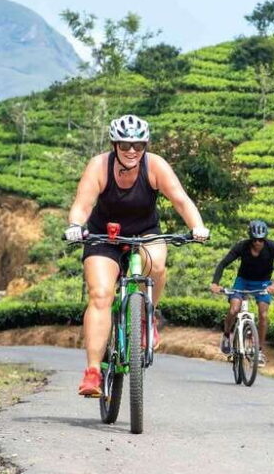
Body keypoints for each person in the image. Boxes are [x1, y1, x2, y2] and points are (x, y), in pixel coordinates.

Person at [64, 114, 210, 397]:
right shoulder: (99, 166)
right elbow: (82, 204)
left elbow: (180, 199)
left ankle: (147, 317)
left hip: (145, 232)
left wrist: (197, 227)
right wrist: (74, 226)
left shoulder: (155, 166)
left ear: (145, 145)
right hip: (102, 236)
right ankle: (93, 371)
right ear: (114, 145)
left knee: (156, 264)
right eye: (125, 145)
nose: (132, 151)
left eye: (138, 145)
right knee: (101, 294)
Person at [210, 220, 274, 365]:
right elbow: (223, 264)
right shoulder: (242, 246)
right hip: (243, 281)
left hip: (263, 282)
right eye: (255, 240)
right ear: (250, 239)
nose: (258, 243)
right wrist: (215, 283)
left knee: (263, 315)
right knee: (234, 309)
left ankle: (258, 351)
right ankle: (227, 335)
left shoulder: (272, 247)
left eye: (261, 239)